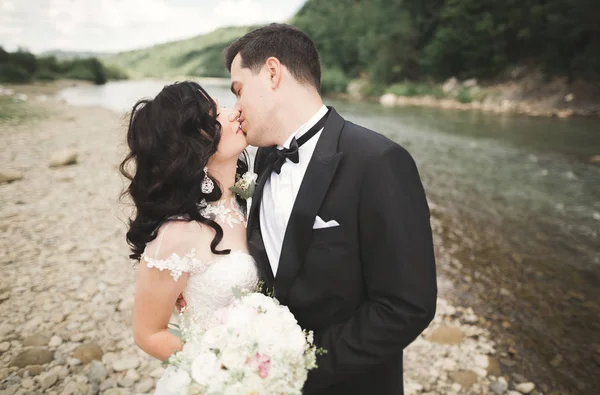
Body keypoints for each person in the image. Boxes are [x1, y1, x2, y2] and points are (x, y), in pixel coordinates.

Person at [224, 24, 437, 395]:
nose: (235, 109)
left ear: (273, 73)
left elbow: (406, 305)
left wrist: (302, 367)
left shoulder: (378, 161)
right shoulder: (263, 158)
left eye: (238, 91)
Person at [119, 81, 258, 391]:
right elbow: (148, 333)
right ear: (191, 144)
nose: (233, 113)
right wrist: (226, 370)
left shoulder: (252, 201)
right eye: (214, 115)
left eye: (223, 106)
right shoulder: (177, 234)